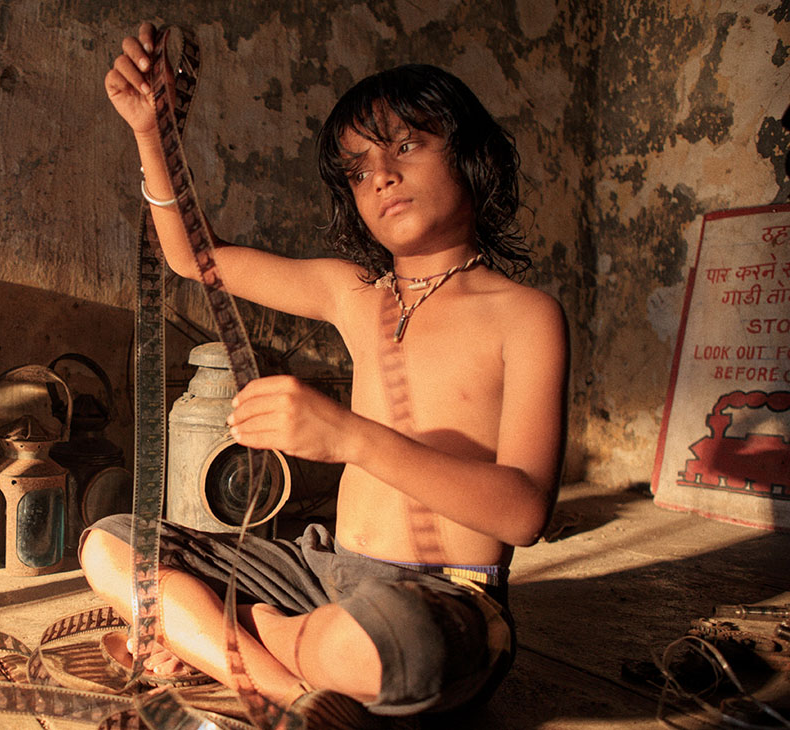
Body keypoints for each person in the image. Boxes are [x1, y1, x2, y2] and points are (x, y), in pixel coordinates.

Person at [81, 21, 568, 718]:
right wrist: (151, 135)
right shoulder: (354, 293)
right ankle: (295, 699)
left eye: (406, 145)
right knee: (111, 544)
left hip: (444, 593)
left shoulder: (525, 315)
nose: (383, 176)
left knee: (401, 649)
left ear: (472, 157)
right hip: (320, 572)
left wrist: (350, 438)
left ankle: (224, 641)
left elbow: (524, 514)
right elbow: (196, 259)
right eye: (360, 168)